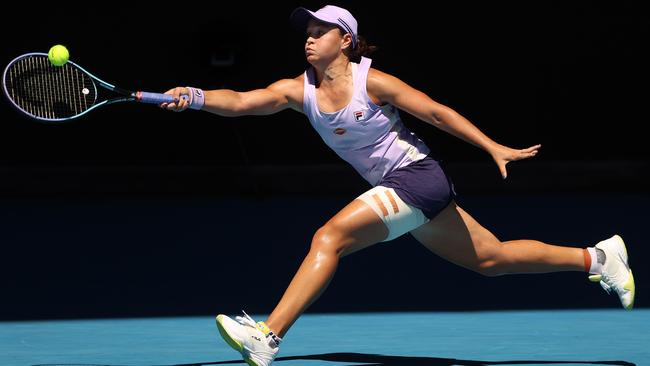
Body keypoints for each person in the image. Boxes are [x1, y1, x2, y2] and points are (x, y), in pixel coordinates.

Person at [161, 5, 635, 366]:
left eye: (318, 32)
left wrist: (492, 146)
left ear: (344, 40)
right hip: (404, 188)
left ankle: (268, 336)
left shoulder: (374, 82)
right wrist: (197, 97)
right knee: (491, 258)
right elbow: (243, 101)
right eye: (305, 34)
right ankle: (597, 257)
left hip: (418, 178)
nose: (308, 40)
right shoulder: (297, 90)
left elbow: (433, 111)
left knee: (329, 238)